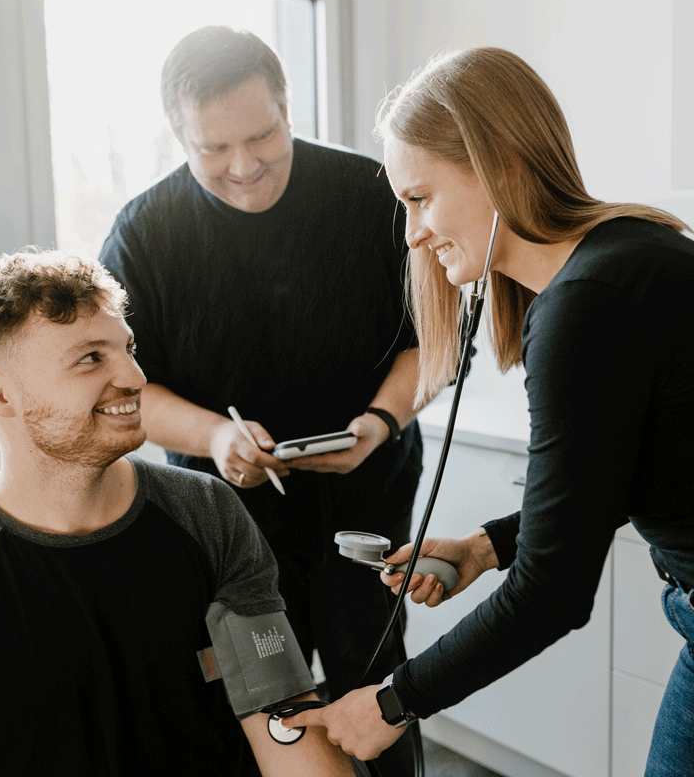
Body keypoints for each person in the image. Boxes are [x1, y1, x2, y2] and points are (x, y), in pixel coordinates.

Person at [282, 46, 694, 776]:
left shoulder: (586, 306)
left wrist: (388, 703)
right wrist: (483, 546)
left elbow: (553, 592)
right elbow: (630, 476)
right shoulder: (628, 255)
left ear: (499, 166)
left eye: (420, 199)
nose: (411, 233)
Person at [99, 26, 424, 775]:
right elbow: (124, 389)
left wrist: (378, 424)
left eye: (264, 135)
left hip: (365, 508)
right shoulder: (144, 233)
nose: (245, 167)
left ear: (287, 106)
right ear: (179, 135)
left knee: (373, 693)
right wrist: (216, 437)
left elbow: (430, 340)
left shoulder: (371, 195)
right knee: (245, 705)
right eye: (214, 150)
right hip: (225, 520)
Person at [0, 250, 356, 777]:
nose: (135, 377)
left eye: (128, 349)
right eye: (91, 357)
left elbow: (284, 722)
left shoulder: (206, 512)